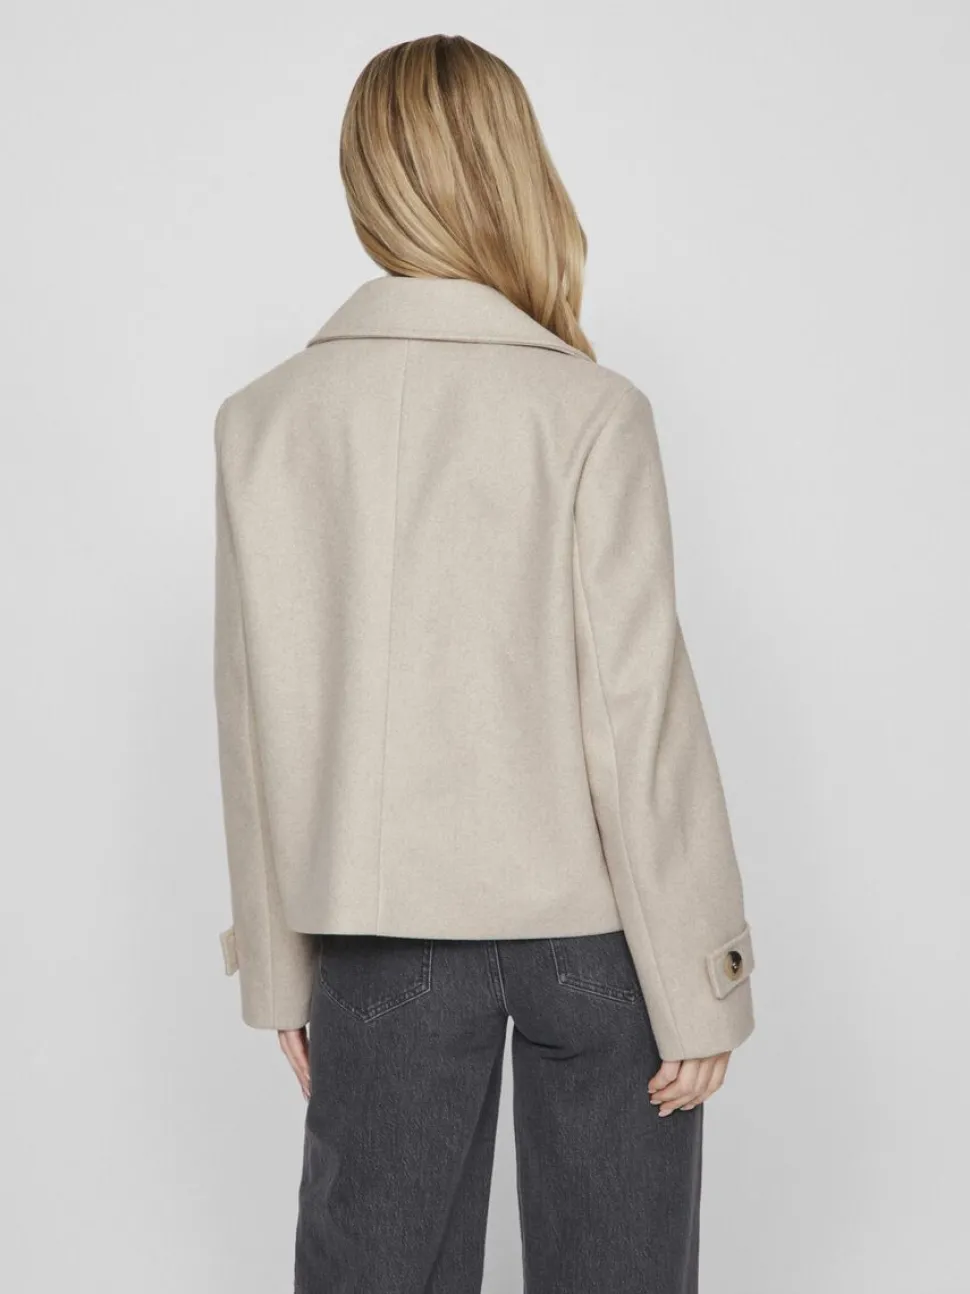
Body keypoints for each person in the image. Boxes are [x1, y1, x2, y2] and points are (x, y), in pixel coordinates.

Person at [213, 33, 755, 1294]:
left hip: (380, 945)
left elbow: (255, 723)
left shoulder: (263, 423)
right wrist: (701, 980)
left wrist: (280, 972)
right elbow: (637, 718)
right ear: (516, 169)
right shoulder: (590, 412)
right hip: (593, 937)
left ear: (367, 180)